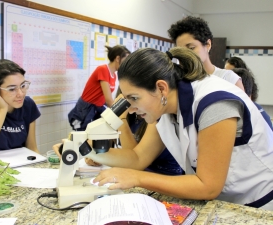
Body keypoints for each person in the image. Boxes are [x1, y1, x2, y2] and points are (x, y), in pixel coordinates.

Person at [88, 47, 273, 210]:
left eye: (134, 98)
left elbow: (208, 185)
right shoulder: (165, 108)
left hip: (259, 205)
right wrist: (83, 150)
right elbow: (138, 158)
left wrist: (137, 178)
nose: (131, 108)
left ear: (161, 88)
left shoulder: (214, 103)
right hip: (225, 202)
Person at [0, 59, 41, 159]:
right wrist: (2, 109)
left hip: (20, 166)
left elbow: (32, 148)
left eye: (23, 86)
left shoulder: (28, 105)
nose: (21, 94)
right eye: (12, 89)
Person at [167, 16, 244, 91]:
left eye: (191, 48)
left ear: (208, 44)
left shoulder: (228, 78)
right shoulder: (177, 81)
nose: (185, 55)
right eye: (181, 51)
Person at [68, 45, 130, 131]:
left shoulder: (114, 75)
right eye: (125, 60)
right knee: (81, 134)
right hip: (85, 108)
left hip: (98, 107)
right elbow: (109, 100)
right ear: (117, 58)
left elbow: (106, 99)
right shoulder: (103, 69)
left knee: (96, 134)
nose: (126, 63)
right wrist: (120, 114)